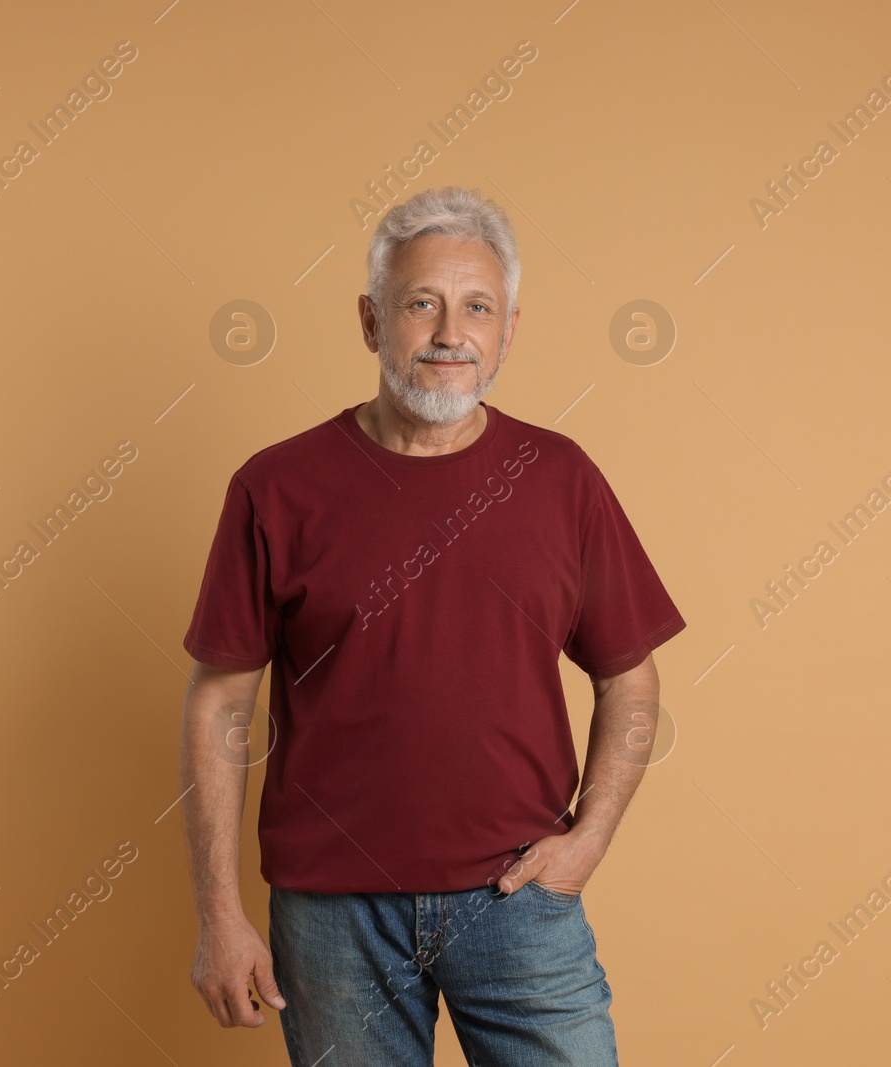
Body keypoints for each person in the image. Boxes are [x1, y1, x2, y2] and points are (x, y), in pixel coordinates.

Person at [180, 185, 686, 1065]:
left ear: (508, 330)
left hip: (518, 900)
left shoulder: (561, 480)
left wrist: (589, 837)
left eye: (477, 308)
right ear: (373, 321)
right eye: (423, 304)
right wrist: (219, 913)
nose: (451, 332)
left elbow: (629, 677)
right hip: (332, 915)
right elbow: (221, 703)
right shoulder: (277, 487)